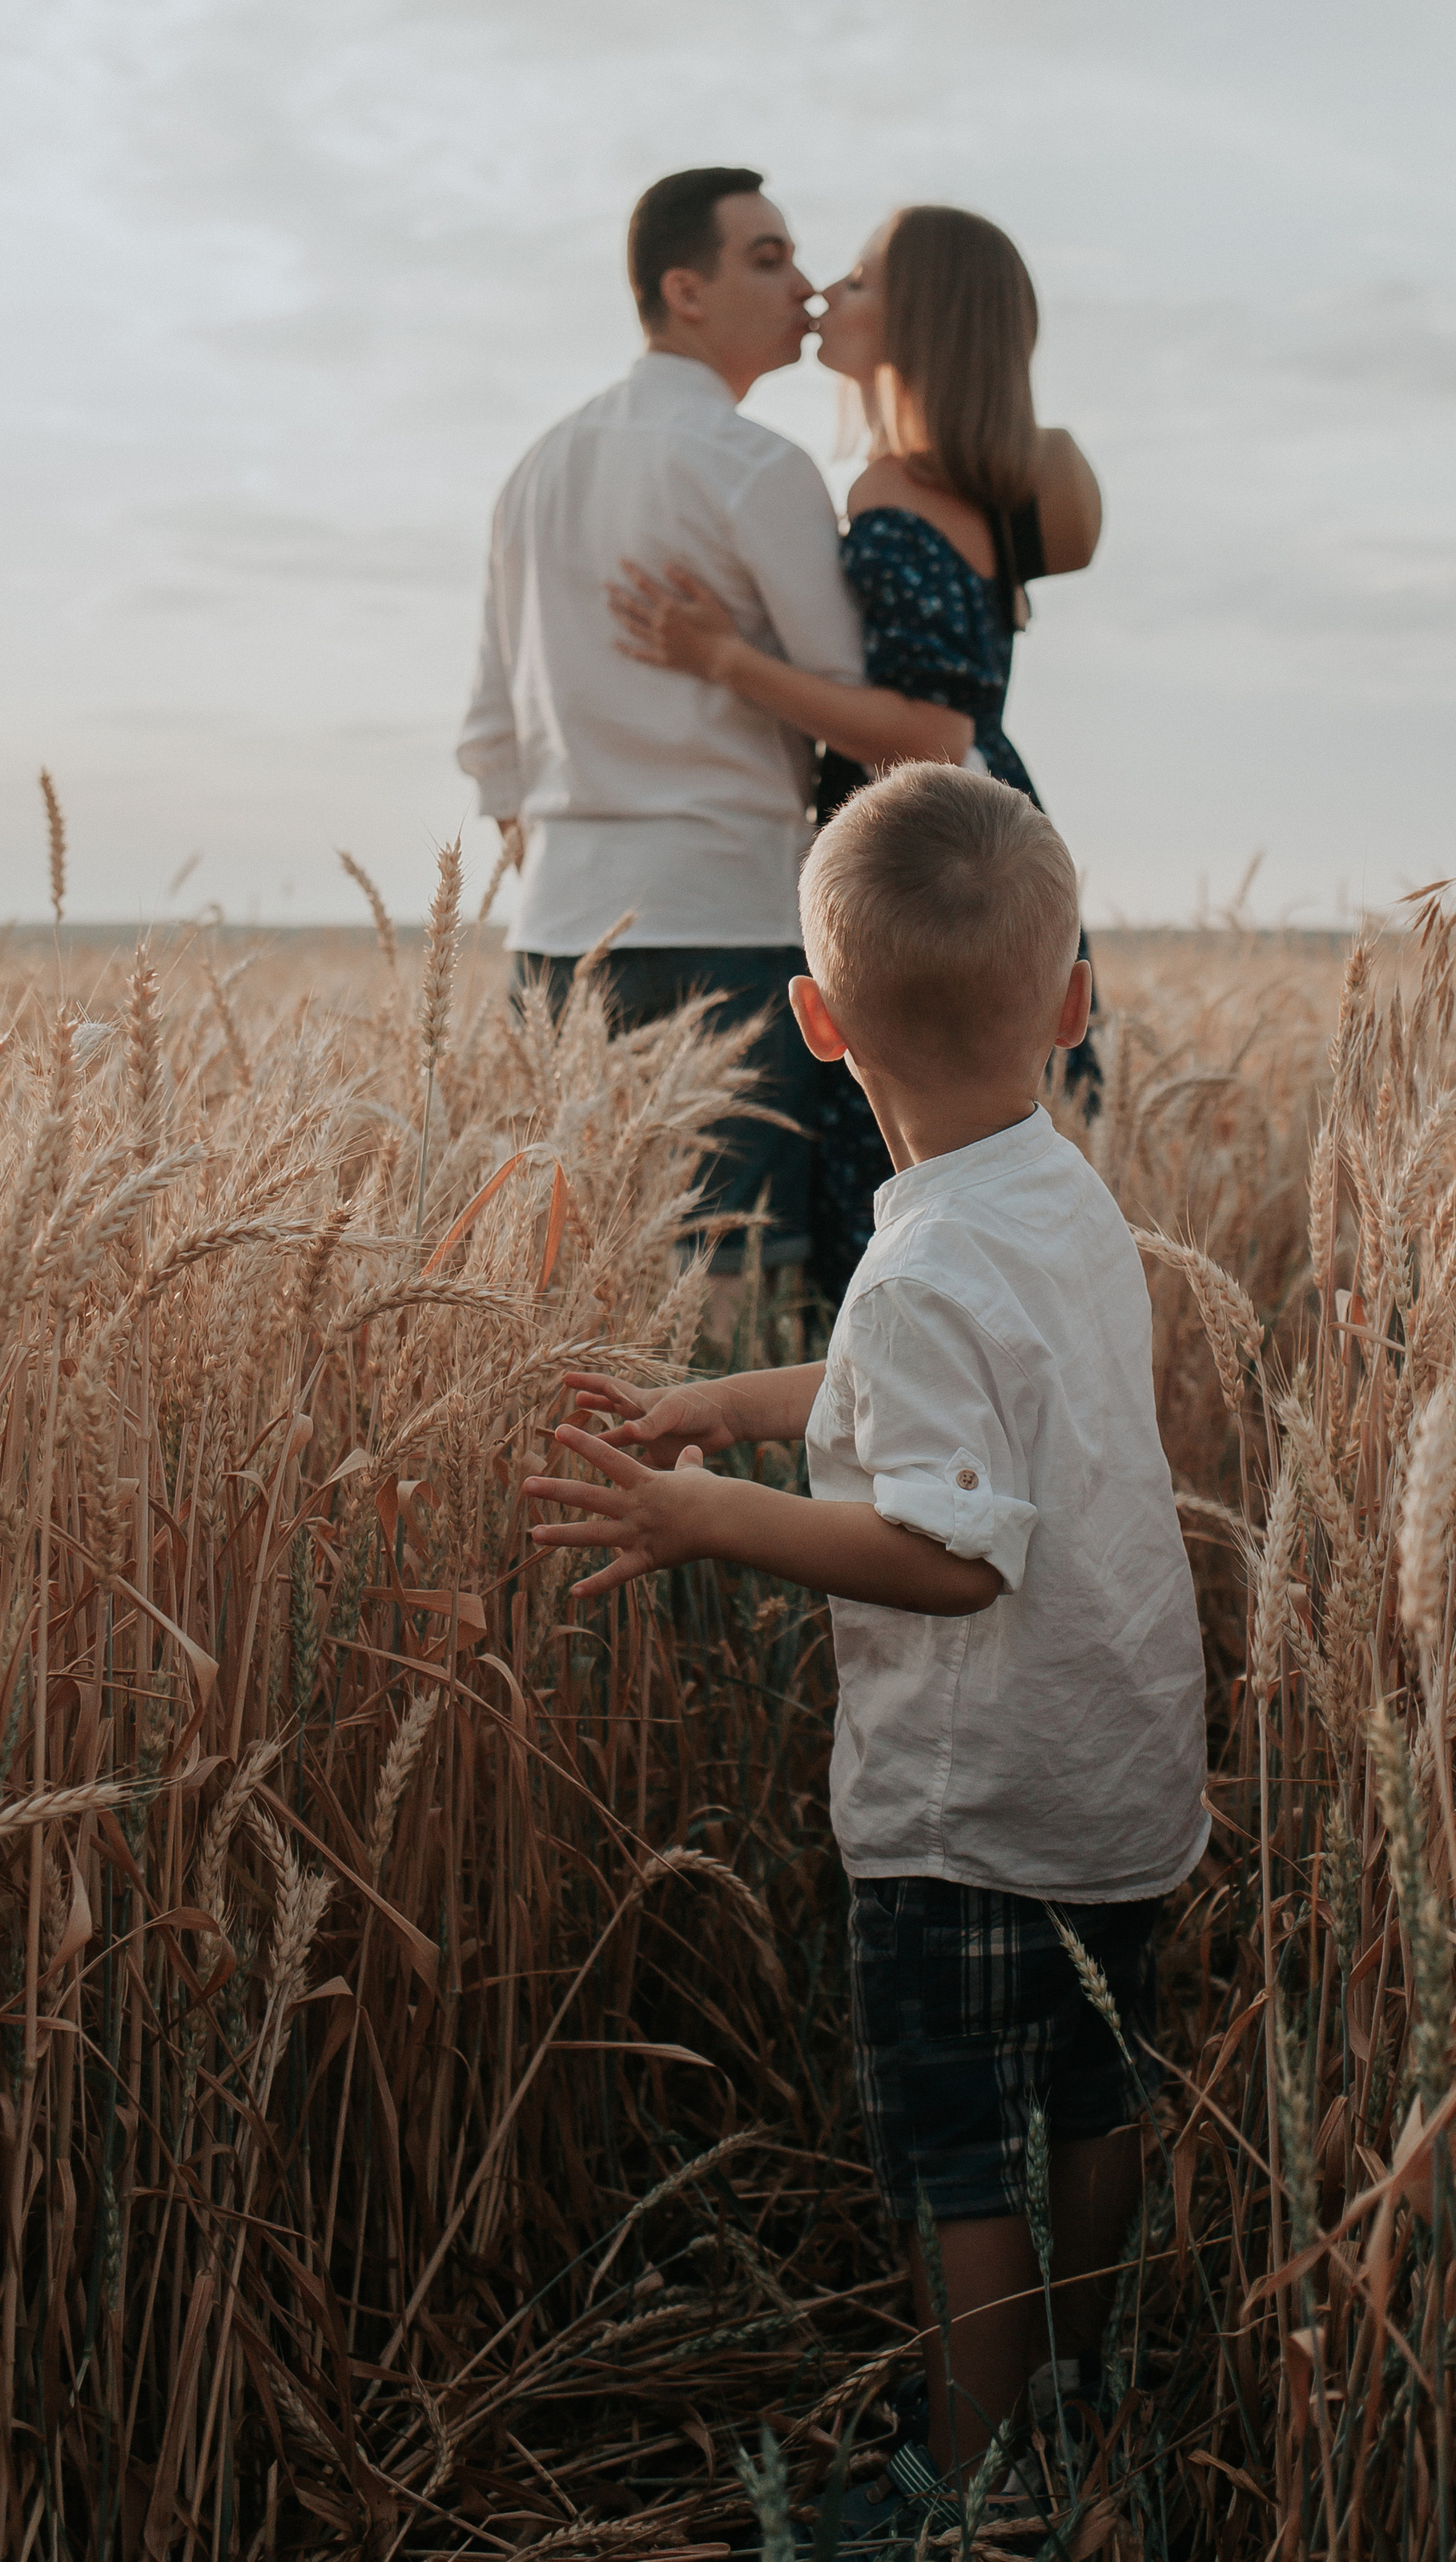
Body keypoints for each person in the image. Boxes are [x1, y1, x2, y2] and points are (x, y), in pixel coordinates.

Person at [525, 767, 1208, 2549]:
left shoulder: (914, 1274)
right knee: (1094, 2091)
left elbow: (943, 1548)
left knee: (960, 2154)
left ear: (815, 1026)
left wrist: (701, 1518)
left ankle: (973, 2478)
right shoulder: (1061, 1202)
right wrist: (725, 1413)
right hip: (1114, 1770)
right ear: (1072, 1003)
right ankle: (1076, 2385)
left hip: (968, 1812)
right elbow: (940, 1417)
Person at [604, 204, 1104, 1301]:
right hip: (980, 823)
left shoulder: (894, 486)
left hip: (924, 845)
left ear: (925, 320)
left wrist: (724, 658)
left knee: (914, 1187)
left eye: (864, 281)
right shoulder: (953, 476)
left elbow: (931, 728)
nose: (828, 290)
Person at [457, 167, 872, 1278]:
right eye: (769, 259)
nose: (806, 287)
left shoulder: (534, 469)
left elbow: (489, 733)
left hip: (552, 937)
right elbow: (849, 700)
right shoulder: (756, 466)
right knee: (728, 1295)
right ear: (685, 290)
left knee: (568, 1287)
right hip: (723, 925)